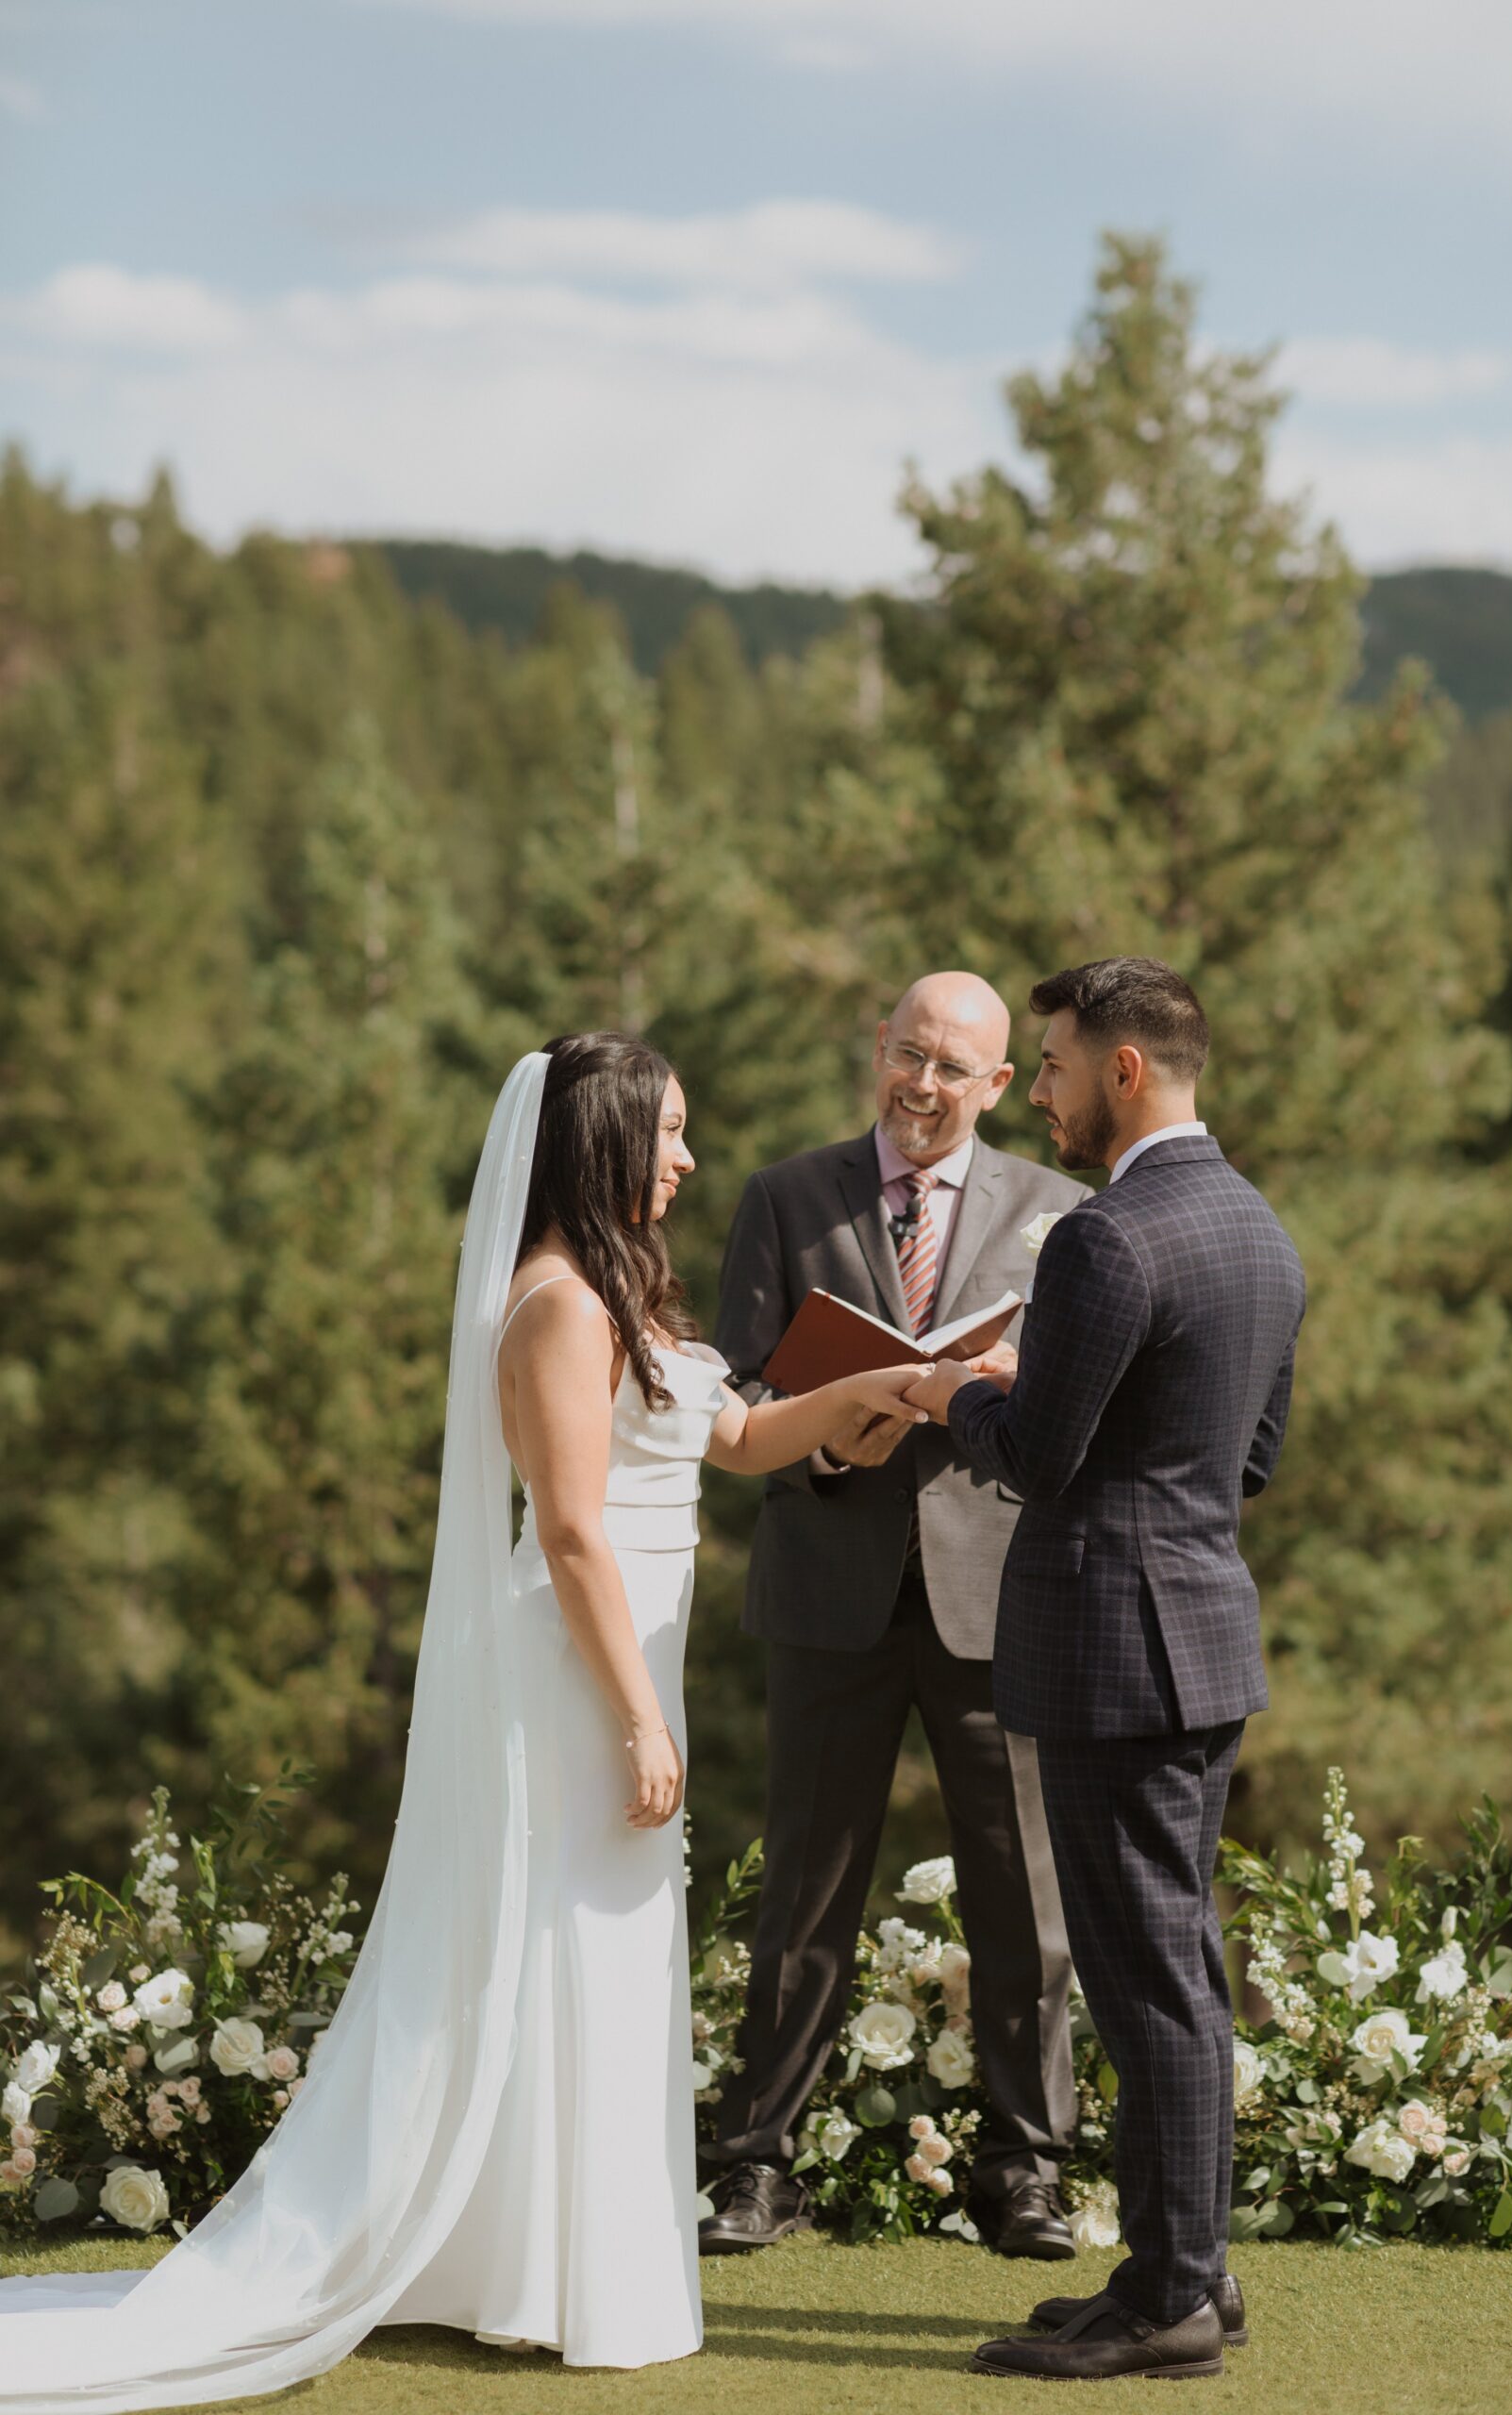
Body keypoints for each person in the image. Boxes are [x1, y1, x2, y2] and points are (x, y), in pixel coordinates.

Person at [0, 1034, 929, 2406]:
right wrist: (639, 1722)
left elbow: (730, 1442)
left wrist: (873, 1395)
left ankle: (539, 2265)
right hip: (580, 1663)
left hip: (630, 1649)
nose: (685, 1159)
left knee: (601, 1944)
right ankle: (552, 2272)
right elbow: (567, 1529)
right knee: (570, 1934)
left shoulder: (626, 1287)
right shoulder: (558, 1303)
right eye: (666, 1134)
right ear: (603, 1141)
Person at [905, 958, 1306, 2385]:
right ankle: (1179, 2270)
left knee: (1148, 1986)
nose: (1052, 1093)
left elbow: (1039, 1460)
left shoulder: (1105, 1239)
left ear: (1124, 1070)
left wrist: (968, 1395)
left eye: (1060, 1065)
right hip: (1198, 1636)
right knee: (1175, 1967)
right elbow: (1247, 1461)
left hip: (1110, 1656)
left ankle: (1171, 2302)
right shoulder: (1261, 1231)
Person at [699, 972, 1084, 2261]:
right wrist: (824, 1448)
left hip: (999, 1598)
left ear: (996, 1088)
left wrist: (1015, 1388)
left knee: (1023, 1900)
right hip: (828, 1586)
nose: (923, 1086)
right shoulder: (784, 1196)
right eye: (906, 1055)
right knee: (806, 1889)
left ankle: (1025, 2173)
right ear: (879, 1052)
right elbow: (739, 1388)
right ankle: (755, 2165)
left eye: (952, 1069)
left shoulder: (1060, 1212)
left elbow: (1083, 1416)